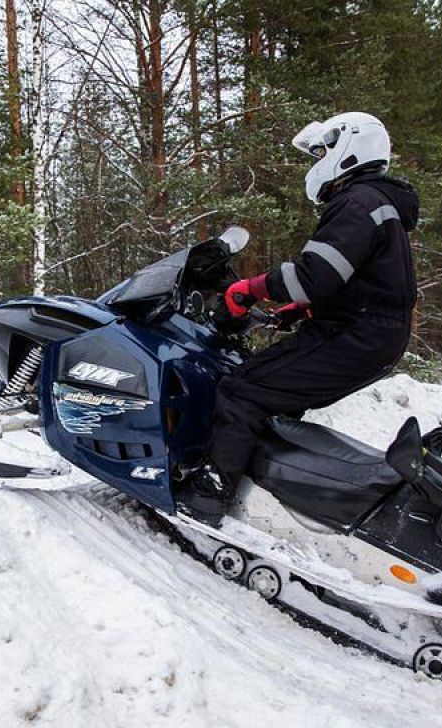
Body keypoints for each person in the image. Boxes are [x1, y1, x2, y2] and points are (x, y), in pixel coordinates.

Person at [177, 111, 419, 526]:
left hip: (356, 334)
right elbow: (359, 278)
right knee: (274, 397)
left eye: (321, 152)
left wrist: (249, 289)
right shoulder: (377, 202)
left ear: (349, 150)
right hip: (369, 331)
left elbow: (316, 274)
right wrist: (306, 307)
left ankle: (210, 492)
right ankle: (270, 484)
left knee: (241, 390)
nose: (316, 162)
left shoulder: (358, 202)